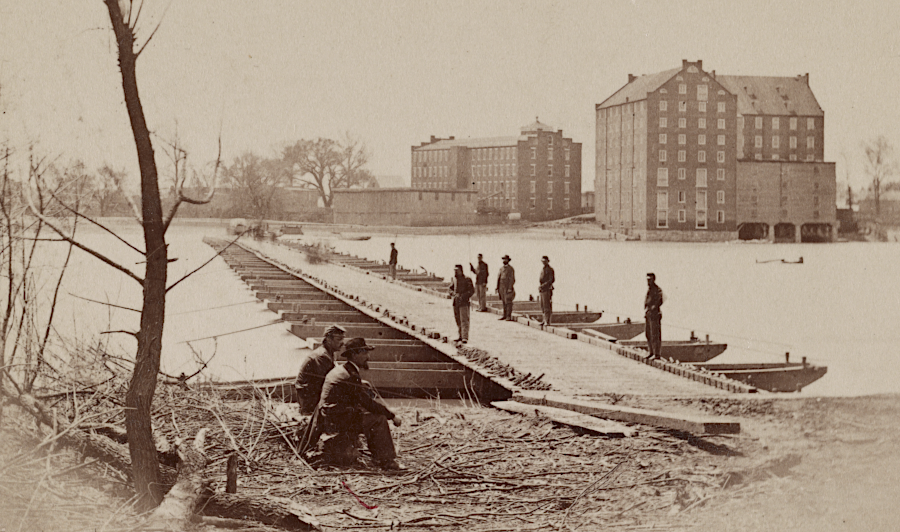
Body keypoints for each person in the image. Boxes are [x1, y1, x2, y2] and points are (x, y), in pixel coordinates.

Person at [304, 338, 403, 469]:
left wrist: (361, 385)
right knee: (378, 420)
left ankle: (377, 455)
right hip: (337, 421)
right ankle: (386, 461)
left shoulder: (342, 370)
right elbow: (367, 403)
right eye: (364, 353)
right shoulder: (350, 375)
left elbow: (350, 391)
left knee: (369, 414)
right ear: (354, 355)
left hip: (329, 416)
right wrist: (392, 416)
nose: (368, 357)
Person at [295, 325, 347, 415]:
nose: (343, 343)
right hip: (308, 399)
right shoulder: (322, 356)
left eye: (343, 339)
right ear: (328, 340)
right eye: (339, 339)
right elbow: (330, 380)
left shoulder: (329, 353)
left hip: (312, 393)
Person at [450, 265, 475, 343]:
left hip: (464, 302)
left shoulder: (467, 279)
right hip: (456, 302)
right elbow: (450, 288)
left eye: (457, 270)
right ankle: (460, 336)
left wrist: (463, 296)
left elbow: (471, 290)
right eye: (454, 270)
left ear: (461, 270)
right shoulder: (454, 279)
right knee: (458, 320)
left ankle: (464, 337)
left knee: (464, 320)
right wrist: (453, 294)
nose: (455, 272)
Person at [644, 273, 664, 360]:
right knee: (648, 334)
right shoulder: (649, 290)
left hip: (655, 315)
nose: (648, 281)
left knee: (655, 334)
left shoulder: (657, 289)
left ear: (653, 280)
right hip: (648, 314)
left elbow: (660, 300)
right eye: (647, 280)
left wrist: (653, 307)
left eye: (650, 280)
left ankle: (657, 354)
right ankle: (651, 352)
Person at [496, 255, 516, 321]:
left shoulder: (511, 269)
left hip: (507, 287)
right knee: (503, 301)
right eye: (503, 259)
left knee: (508, 302)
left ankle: (508, 316)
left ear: (508, 260)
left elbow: (512, 279)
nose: (504, 260)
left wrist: (510, 288)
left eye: (506, 259)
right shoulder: (501, 269)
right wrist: (497, 287)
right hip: (501, 287)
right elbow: (498, 278)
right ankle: (504, 315)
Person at [539, 256, 555, 326]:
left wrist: (544, 285)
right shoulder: (543, 269)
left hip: (547, 289)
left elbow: (551, 280)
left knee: (546, 306)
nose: (543, 262)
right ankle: (544, 320)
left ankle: (547, 321)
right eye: (542, 261)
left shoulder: (550, 269)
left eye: (545, 261)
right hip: (542, 289)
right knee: (542, 305)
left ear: (548, 261)